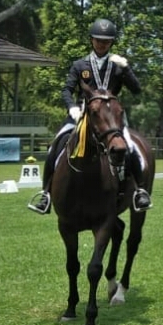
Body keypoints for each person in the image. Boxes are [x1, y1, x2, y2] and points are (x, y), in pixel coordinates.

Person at [28, 18, 146, 214]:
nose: (102, 44)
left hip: (110, 118)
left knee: (130, 146)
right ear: (92, 40)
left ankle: (139, 191)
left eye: (106, 41)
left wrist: (126, 68)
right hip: (82, 114)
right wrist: (72, 107)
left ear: (111, 43)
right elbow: (66, 90)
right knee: (56, 146)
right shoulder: (80, 65)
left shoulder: (117, 65)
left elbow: (136, 89)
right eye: (98, 40)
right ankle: (46, 193)